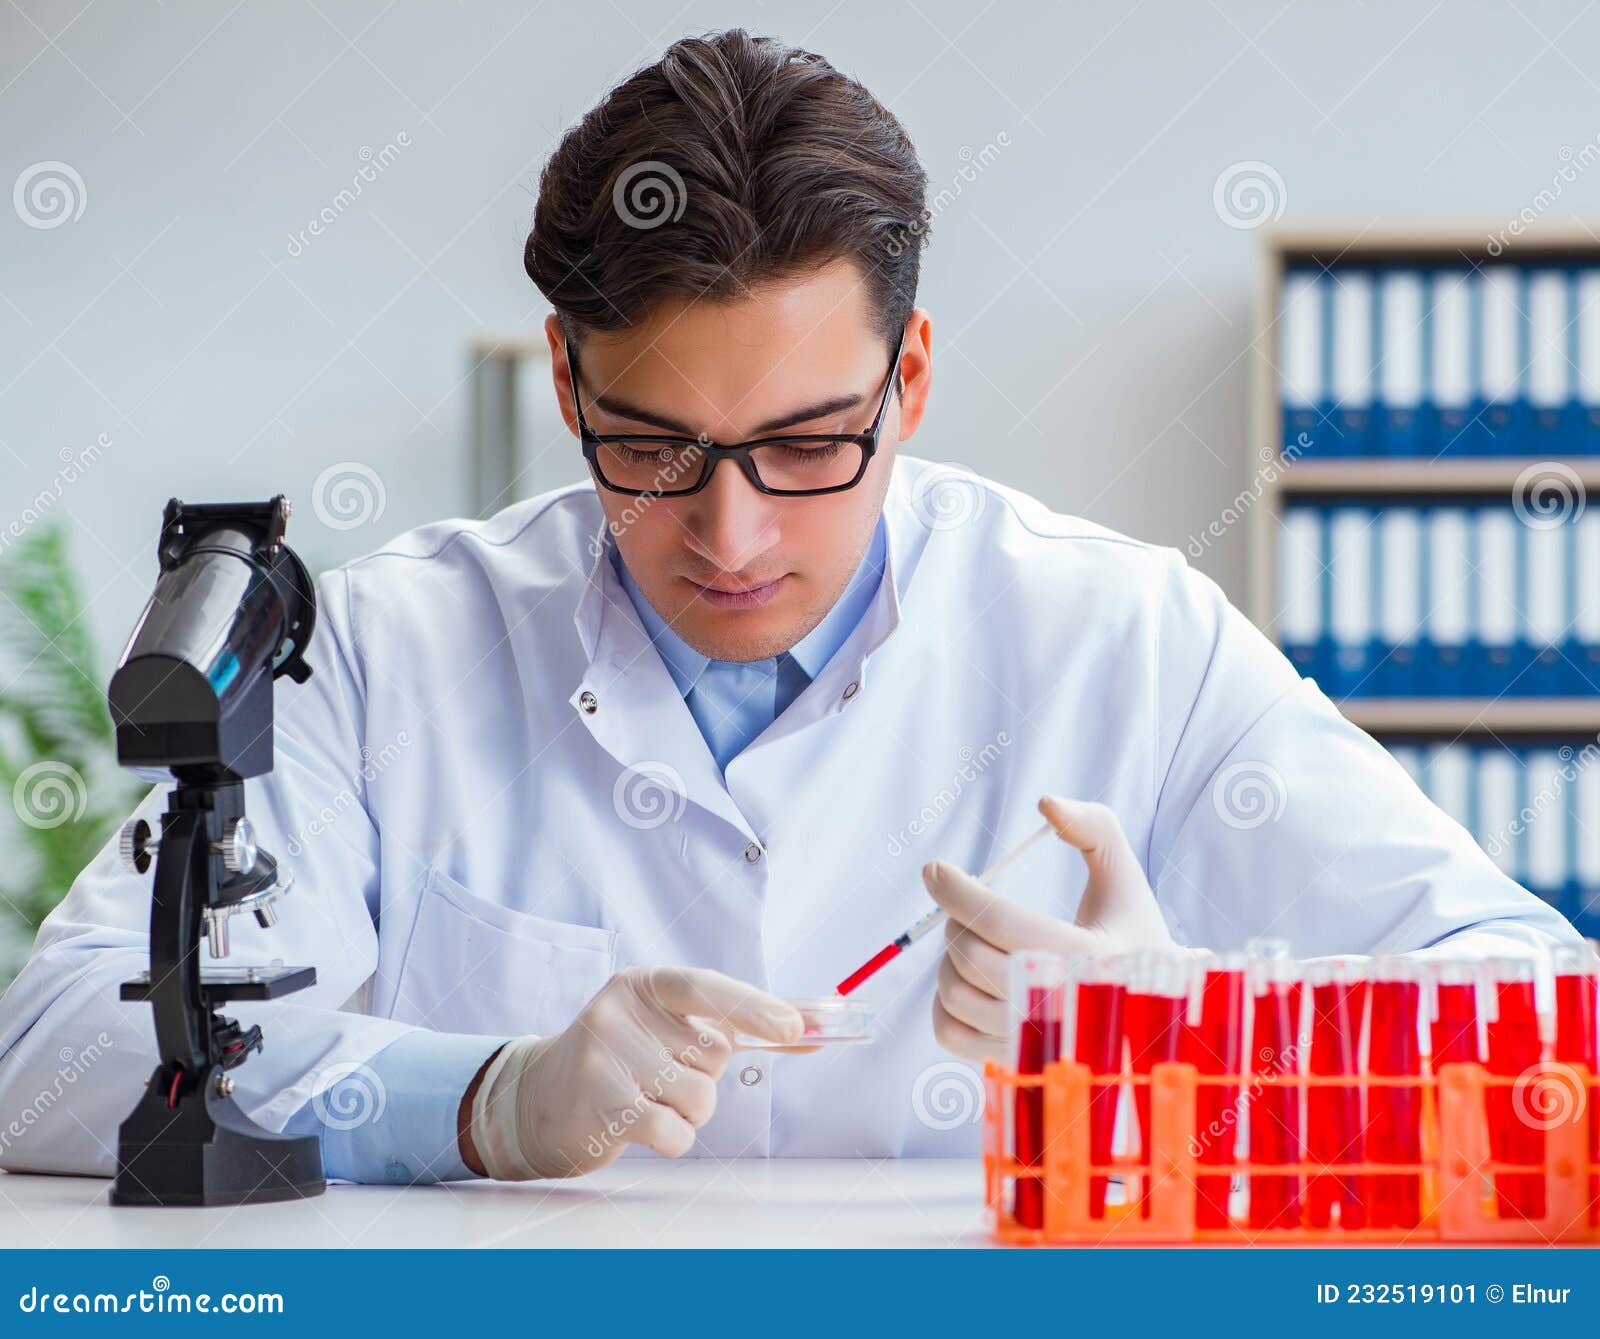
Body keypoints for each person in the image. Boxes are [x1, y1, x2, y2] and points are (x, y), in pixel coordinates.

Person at [0, 29, 1582, 1187]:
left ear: (910, 379)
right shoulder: (388, 648)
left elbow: (1545, 1030)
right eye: (652, 447)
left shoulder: (1127, 637)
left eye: (812, 445)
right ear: (564, 378)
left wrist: (1172, 1031)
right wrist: (479, 1097)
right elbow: (52, 1050)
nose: (731, 532)